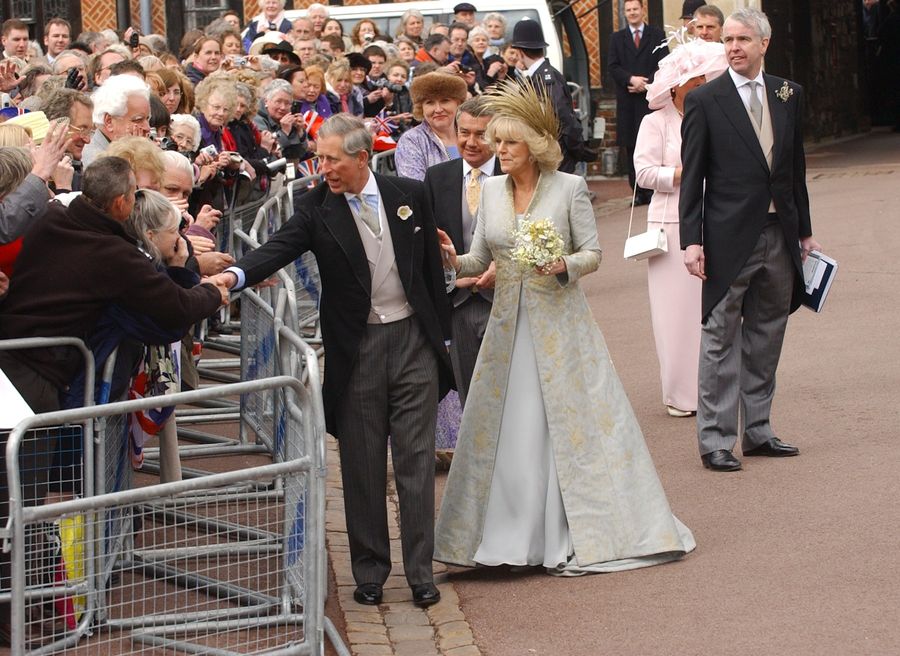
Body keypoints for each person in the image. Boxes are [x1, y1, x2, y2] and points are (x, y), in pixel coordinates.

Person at [433, 81, 695, 574]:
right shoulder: (490, 191)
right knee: (509, 429)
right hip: (506, 328)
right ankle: (510, 535)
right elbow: (480, 258)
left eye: (508, 142)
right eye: (496, 142)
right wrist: (451, 256)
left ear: (534, 145)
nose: (497, 151)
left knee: (564, 427)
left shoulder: (569, 189)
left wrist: (562, 266)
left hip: (561, 327)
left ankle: (567, 531)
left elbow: (592, 254)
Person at [209, 113, 452, 608]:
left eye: (332, 159)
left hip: (413, 343)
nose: (323, 168)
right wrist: (232, 278)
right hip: (357, 347)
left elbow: (429, 269)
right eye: (319, 158)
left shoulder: (410, 194)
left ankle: (421, 571)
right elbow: (277, 249)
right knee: (362, 465)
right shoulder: (314, 205)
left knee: (415, 461)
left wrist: (439, 339)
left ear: (362, 158)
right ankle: (370, 571)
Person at [679, 8, 820, 472]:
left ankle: (757, 431)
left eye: (743, 39)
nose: (734, 47)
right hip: (725, 238)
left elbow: (793, 167)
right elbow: (694, 177)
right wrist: (692, 240)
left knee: (767, 334)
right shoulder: (705, 101)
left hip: (779, 235)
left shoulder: (788, 94)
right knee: (719, 337)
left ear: (764, 43)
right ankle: (716, 440)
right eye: (728, 39)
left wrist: (804, 231)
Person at [634, 38, 727, 418]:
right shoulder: (654, 122)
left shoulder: (713, 117)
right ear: (676, 86)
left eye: (705, 80)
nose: (701, 87)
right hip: (669, 227)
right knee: (674, 314)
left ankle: (712, 388)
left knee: (709, 310)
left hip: (713, 219)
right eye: (694, 82)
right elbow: (643, 173)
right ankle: (678, 393)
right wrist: (683, 173)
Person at [424, 96, 500, 409]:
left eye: (480, 134)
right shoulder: (437, 177)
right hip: (460, 305)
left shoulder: (516, 175)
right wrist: (451, 281)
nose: (470, 142)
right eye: (463, 132)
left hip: (506, 301)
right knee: (472, 402)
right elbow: (428, 245)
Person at [510, 19, 598, 174]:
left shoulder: (546, 80)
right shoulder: (539, 77)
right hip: (548, 157)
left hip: (556, 158)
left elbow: (564, 120)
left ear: (520, 52)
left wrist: (577, 152)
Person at [608, 0, 668, 204]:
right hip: (628, 100)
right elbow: (613, 66)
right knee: (632, 146)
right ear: (624, 13)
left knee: (653, 144)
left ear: (643, 10)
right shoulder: (617, 38)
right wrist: (630, 79)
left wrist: (647, 83)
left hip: (650, 99)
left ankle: (652, 190)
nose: (632, 13)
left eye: (635, 9)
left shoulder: (657, 35)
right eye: (628, 10)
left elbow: (664, 63)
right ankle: (637, 192)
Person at [394, 72, 468, 180]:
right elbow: (415, 187)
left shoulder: (471, 134)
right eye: (430, 102)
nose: (438, 109)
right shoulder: (412, 140)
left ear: (458, 103)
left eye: (445, 101)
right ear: (421, 108)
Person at [82, 74, 151, 165]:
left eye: (148, 119)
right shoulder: (96, 162)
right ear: (109, 122)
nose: (147, 128)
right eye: (138, 120)